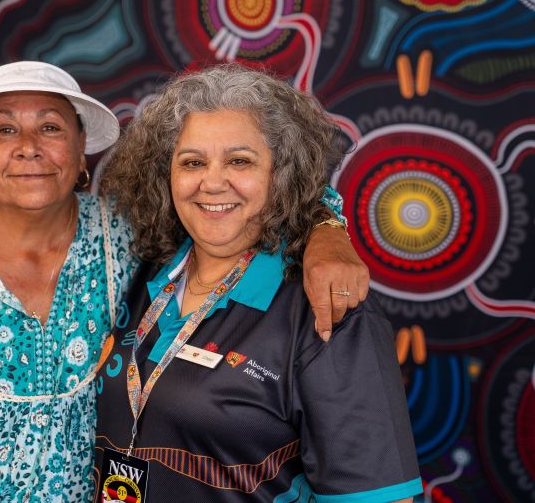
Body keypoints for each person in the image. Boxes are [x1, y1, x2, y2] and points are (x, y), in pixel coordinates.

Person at [0, 61, 369, 502]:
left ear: (81, 151)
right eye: (5, 129)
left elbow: (241, 199)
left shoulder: (132, 240)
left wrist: (327, 229)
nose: (29, 146)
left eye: (51, 127)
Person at [94, 64, 421, 502]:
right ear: (166, 175)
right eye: (193, 162)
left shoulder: (330, 311)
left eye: (240, 161)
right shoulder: (137, 275)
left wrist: (327, 225)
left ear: (280, 174)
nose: (212, 182)